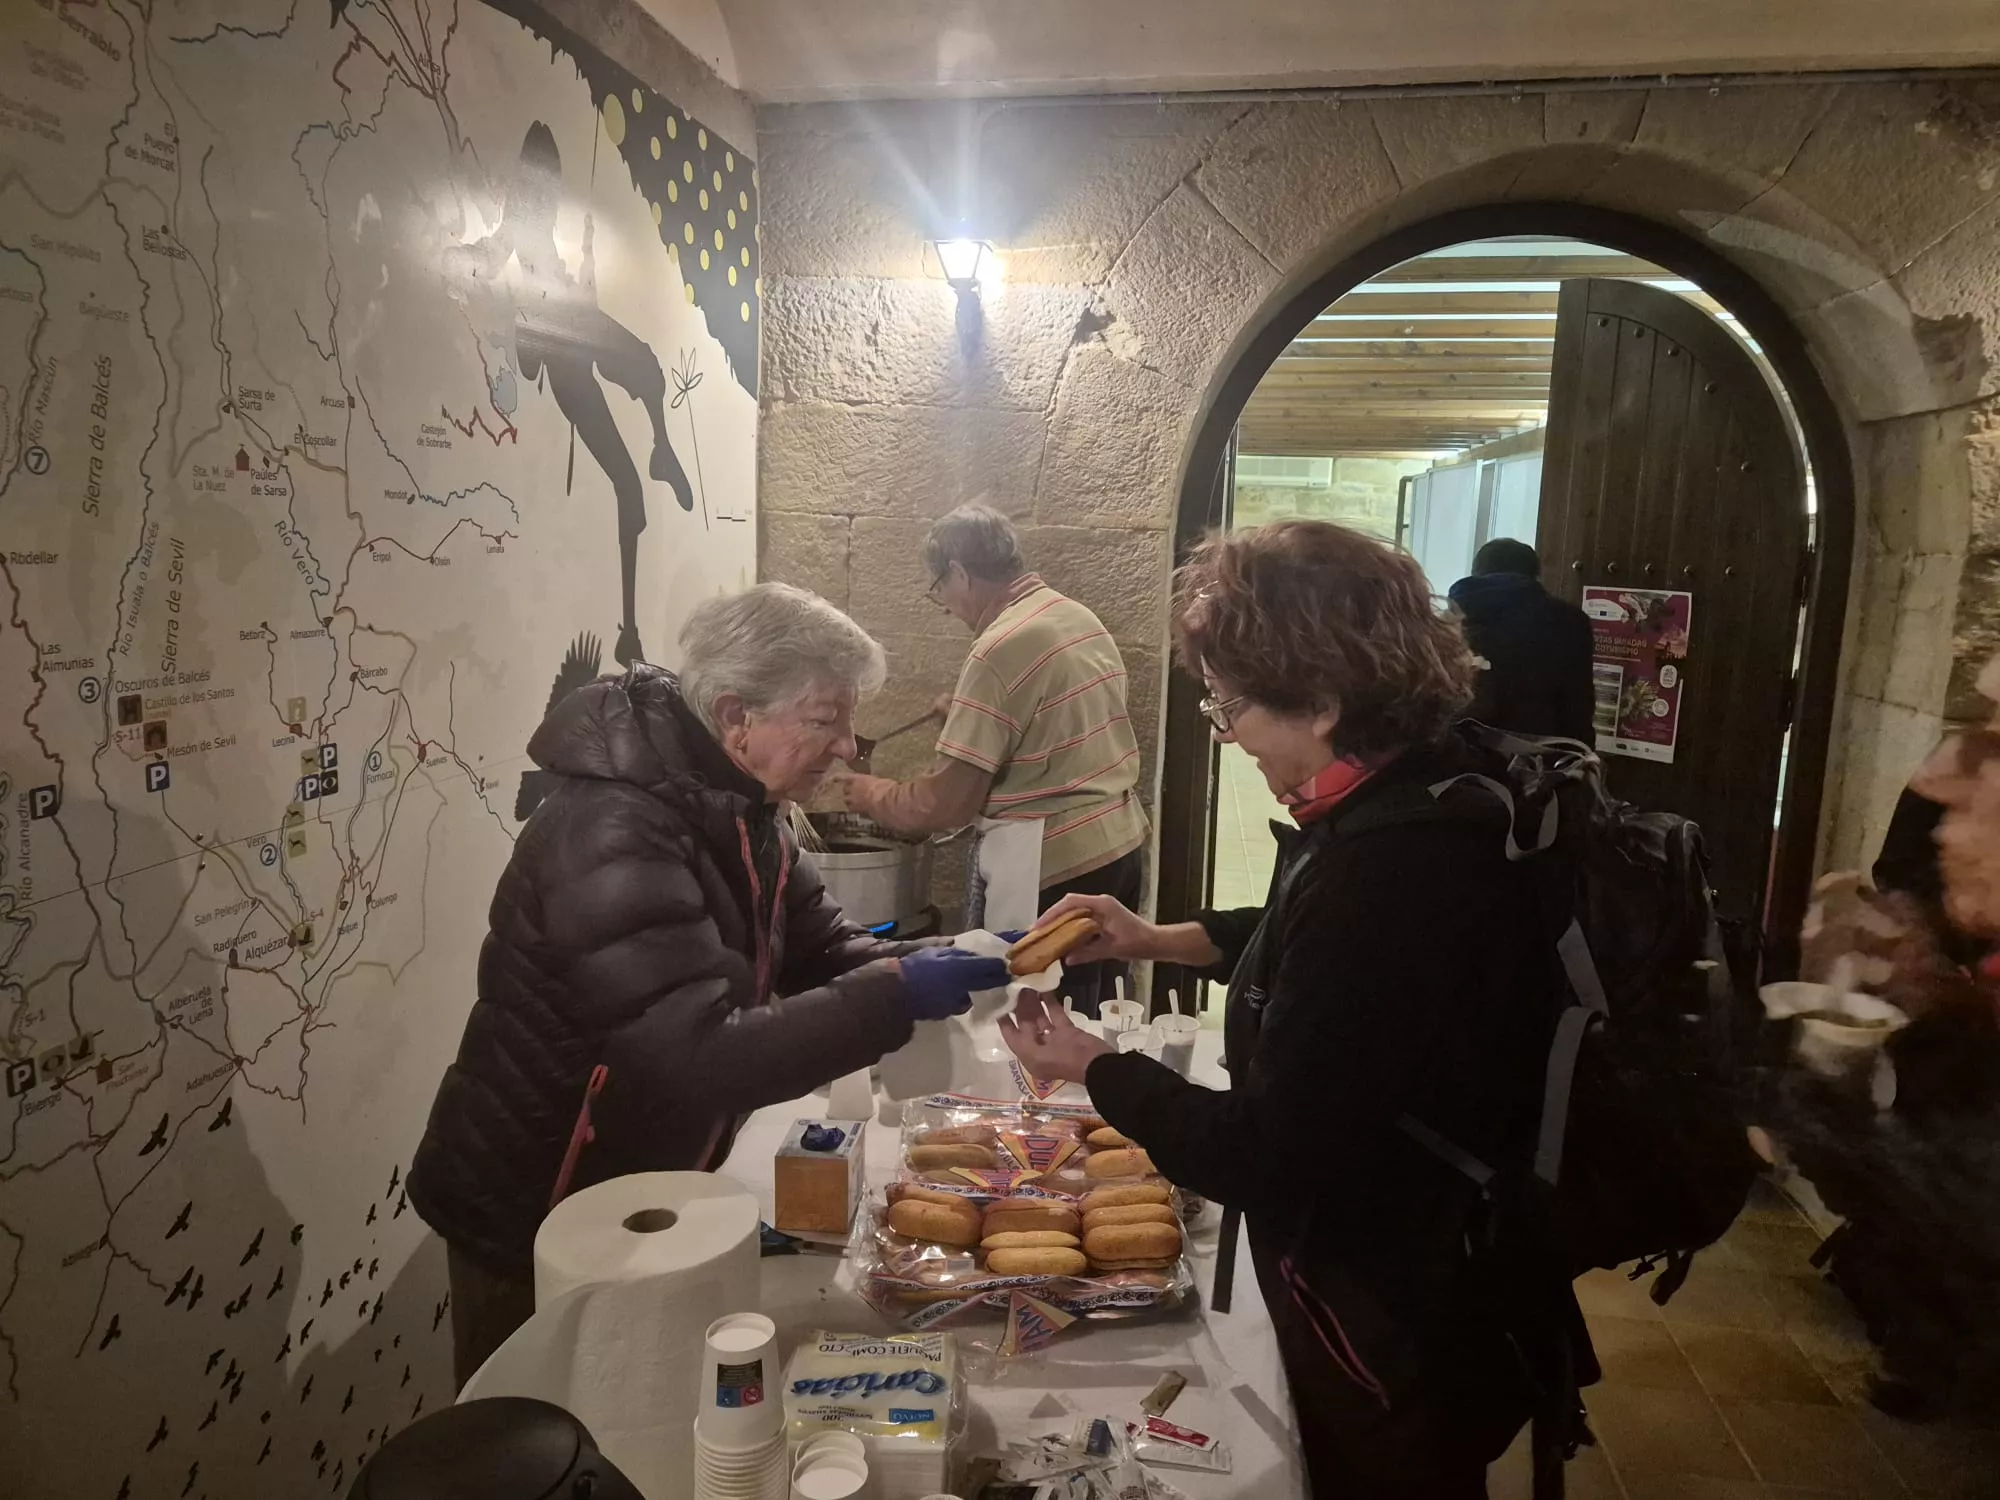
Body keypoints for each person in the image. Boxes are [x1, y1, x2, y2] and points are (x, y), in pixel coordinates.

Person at [1002, 522, 1553, 1498]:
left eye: (1233, 704)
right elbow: (1303, 942)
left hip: (1396, 1297)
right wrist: (1150, 937)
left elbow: (1261, 1154)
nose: (1226, 733)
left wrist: (1095, 1068)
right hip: (1440, 1256)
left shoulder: (1390, 869)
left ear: (1325, 702)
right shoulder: (1419, 788)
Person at [409, 584, 1008, 1388]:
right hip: (537, 1204)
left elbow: (822, 947)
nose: (847, 748)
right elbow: (696, 1052)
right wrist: (897, 993)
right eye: (826, 721)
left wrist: (956, 956)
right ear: (737, 718)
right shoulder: (614, 826)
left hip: (644, 1178)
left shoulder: (741, 807)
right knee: (534, 1435)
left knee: (641, 1422)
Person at [841, 503, 1148, 1015]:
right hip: (1117, 851)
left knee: (1031, 1017)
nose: (946, 605)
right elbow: (1049, 729)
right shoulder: (1074, 616)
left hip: (1052, 867)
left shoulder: (998, 648)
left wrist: (875, 796)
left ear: (958, 573)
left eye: (940, 590)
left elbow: (947, 807)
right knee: (1089, 1017)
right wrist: (967, 719)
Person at [1448, 537, 1596, 743]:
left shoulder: (1448, 620)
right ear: (1534, 576)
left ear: (1476, 572)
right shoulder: (1568, 621)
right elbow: (1577, 704)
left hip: (1463, 749)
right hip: (1538, 757)